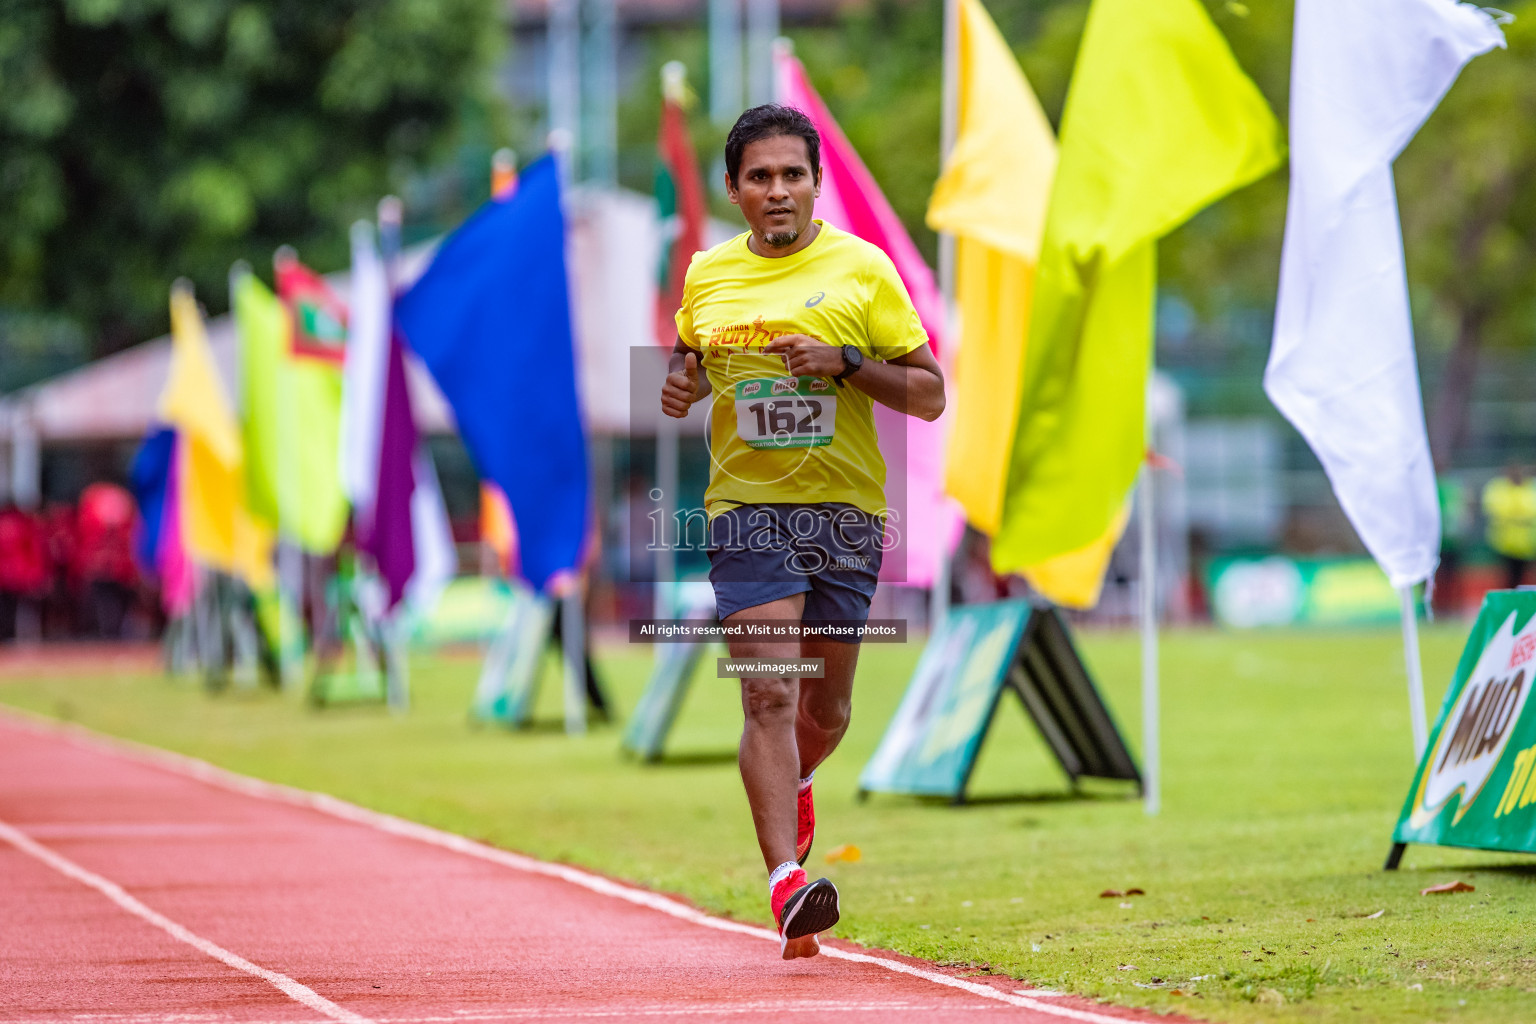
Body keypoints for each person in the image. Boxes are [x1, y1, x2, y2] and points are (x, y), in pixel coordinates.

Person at [659, 104, 945, 960]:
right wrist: (681, 385)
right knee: (769, 694)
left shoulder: (863, 271)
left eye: (792, 174)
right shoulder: (709, 275)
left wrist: (846, 364)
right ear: (734, 188)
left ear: (815, 182)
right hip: (746, 512)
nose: (777, 190)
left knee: (826, 706)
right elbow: (691, 358)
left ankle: (804, 776)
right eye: (760, 176)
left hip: (845, 512)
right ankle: (787, 880)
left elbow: (930, 395)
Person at [1482, 465, 1536, 590]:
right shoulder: (1498, 488)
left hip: (1526, 545)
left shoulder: (1530, 489)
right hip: (1503, 544)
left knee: (1521, 578)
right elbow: (1494, 510)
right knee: (1505, 579)